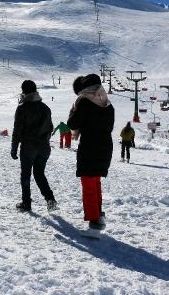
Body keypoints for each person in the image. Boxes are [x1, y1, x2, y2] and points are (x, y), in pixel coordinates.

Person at [67, 74, 114, 237]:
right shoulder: (108, 104)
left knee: (88, 184)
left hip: (90, 147)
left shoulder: (84, 102)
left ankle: (94, 224)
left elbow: (72, 124)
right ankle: (98, 217)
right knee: (95, 182)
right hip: (105, 147)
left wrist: (73, 110)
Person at [11, 80, 57, 212]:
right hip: (44, 147)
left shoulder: (22, 108)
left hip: (28, 147)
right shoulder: (45, 107)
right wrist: (44, 141)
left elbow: (17, 131)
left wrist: (14, 148)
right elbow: (51, 127)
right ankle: (50, 200)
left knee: (26, 174)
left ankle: (26, 203)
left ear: (24, 92)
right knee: (39, 174)